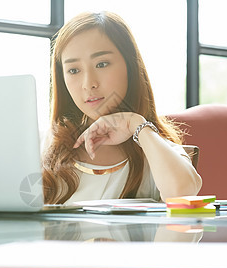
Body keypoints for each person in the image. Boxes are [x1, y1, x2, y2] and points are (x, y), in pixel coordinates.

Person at [42, 11, 202, 205]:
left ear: (130, 66)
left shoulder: (156, 148)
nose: (88, 83)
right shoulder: (43, 146)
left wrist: (136, 125)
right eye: (73, 70)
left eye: (102, 64)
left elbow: (182, 195)